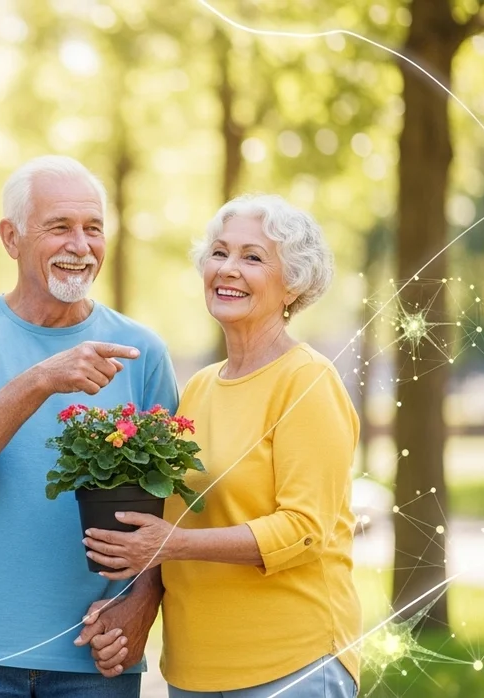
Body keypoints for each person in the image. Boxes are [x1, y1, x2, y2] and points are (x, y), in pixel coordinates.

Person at [83, 194, 361, 697]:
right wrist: (133, 600)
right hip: (195, 671)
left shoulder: (306, 380)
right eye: (218, 253)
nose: (228, 270)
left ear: (292, 282)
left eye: (252, 258)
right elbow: (177, 518)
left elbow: (304, 530)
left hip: (290, 665)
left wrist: (174, 543)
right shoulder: (200, 388)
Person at [0, 155, 178, 697]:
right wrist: (43, 378)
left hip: (95, 652)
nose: (79, 246)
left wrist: (143, 604)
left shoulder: (142, 352)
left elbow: (170, 507)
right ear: (11, 238)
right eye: (59, 227)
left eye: (93, 229)